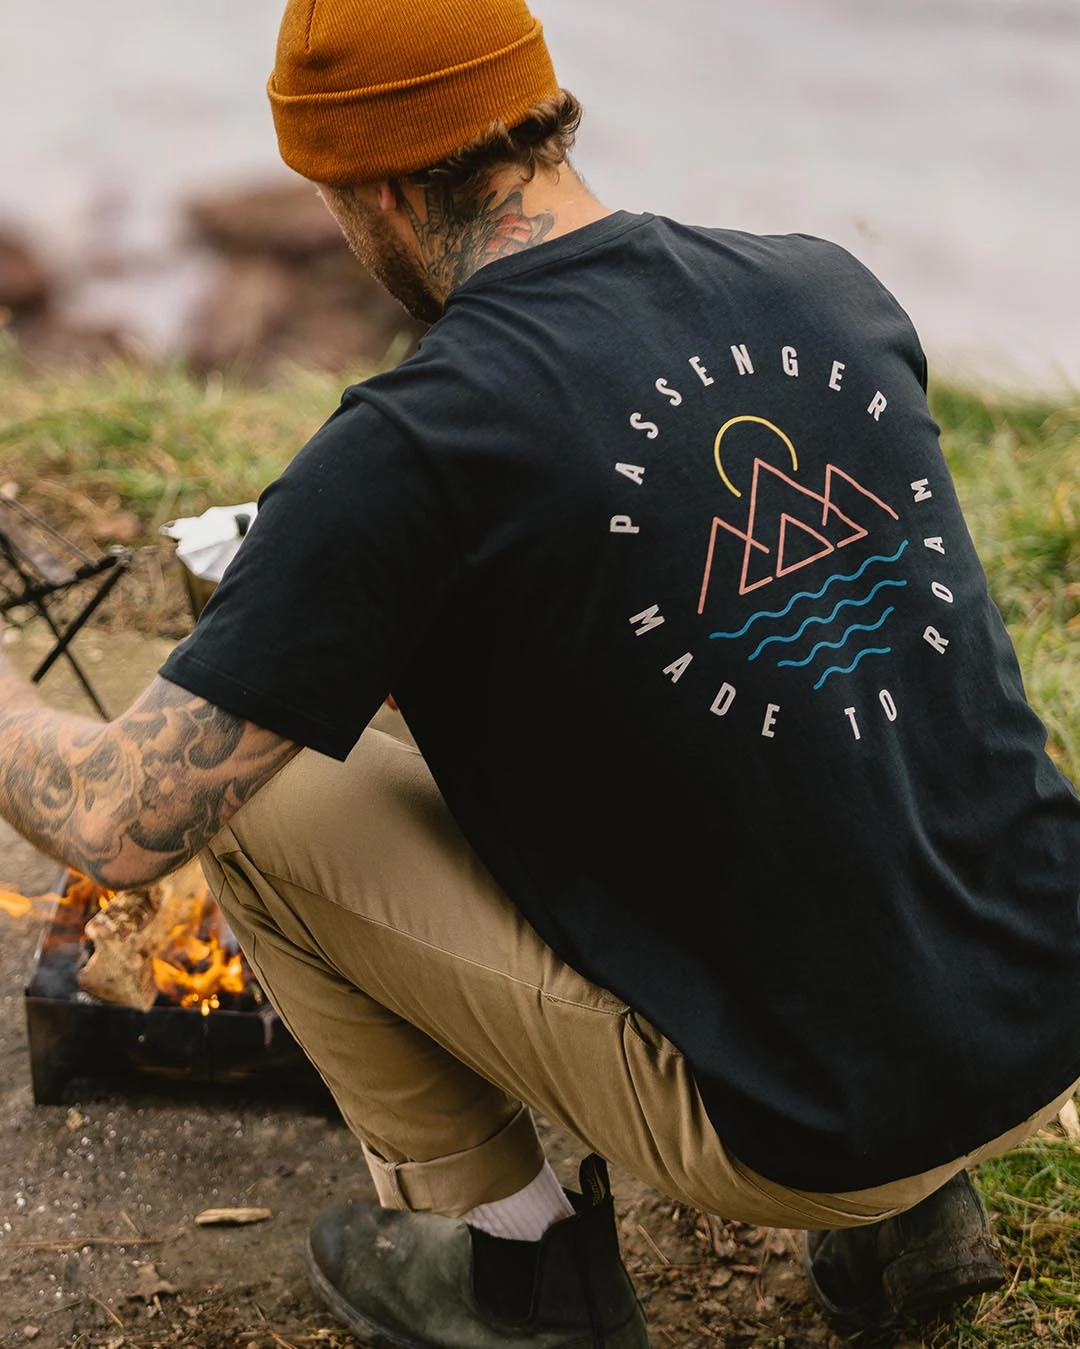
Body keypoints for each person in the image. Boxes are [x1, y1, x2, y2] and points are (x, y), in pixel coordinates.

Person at [3, 0, 1079, 1343]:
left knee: (259, 808)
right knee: (820, 671)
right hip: (1044, 1007)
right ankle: (921, 1223)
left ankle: (520, 1269)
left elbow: (121, 820)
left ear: (382, 191)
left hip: (808, 1136)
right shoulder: (821, 287)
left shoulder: (422, 437)